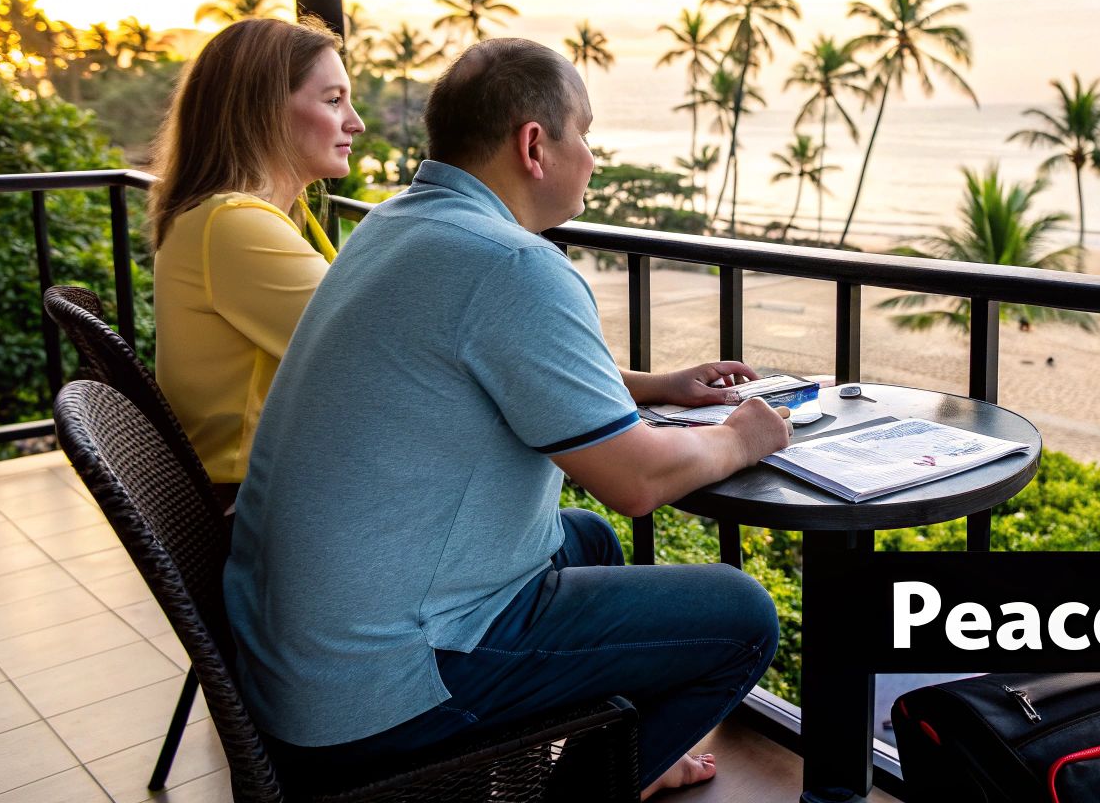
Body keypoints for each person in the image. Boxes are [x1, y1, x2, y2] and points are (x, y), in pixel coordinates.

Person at [223, 39, 790, 799]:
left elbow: (477, 368)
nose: (590, 156)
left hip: (293, 668)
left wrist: (657, 388)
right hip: (373, 690)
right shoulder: (513, 264)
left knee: (583, 538)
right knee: (742, 613)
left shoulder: (397, 228)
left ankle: (630, 755)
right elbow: (636, 479)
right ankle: (591, 788)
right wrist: (743, 435)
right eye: (583, 133)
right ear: (534, 145)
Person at [146, 16, 361, 492]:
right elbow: (374, 359)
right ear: (261, 111)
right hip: (258, 508)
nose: (356, 122)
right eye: (333, 101)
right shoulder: (234, 225)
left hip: (268, 491)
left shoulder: (239, 216)